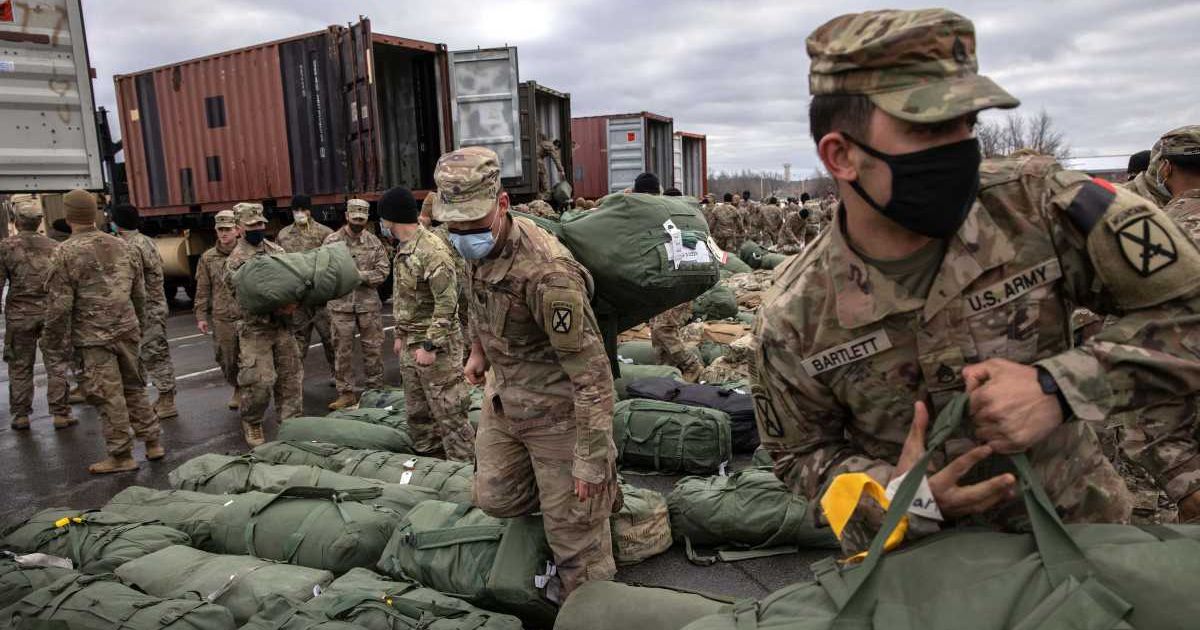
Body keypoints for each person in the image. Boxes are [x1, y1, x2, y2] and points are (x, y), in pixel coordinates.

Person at [754, 8, 1200, 555]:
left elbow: (1188, 307)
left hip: (1081, 537)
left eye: (968, 125)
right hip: (923, 572)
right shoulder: (794, 316)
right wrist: (904, 499)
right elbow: (800, 457)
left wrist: (1060, 387)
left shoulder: (1039, 206)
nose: (962, 148)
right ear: (841, 155)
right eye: (930, 128)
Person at [433, 146, 618, 598]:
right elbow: (480, 302)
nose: (462, 236)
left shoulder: (548, 276)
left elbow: (593, 376)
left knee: (576, 544)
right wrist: (479, 352)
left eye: (472, 225)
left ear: (502, 205)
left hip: (558, 414)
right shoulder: (472, 244)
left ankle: (588, 590)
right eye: (453, 226)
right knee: (495, 498)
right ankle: (578, 504)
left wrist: (591, 460)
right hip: (506, 399)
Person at [44, 190, 160, 473]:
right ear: (94, 214)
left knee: (109, 394)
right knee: (135, 385)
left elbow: (60, 305)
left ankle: (121, 455)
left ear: (69, 216)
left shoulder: (65, 252)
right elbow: (140, 294)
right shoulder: (124, 246)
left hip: (93, 336)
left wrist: (54, 340)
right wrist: (138, 324)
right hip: (127, 328)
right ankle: (153, 442)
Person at [381, 187, 475, 461]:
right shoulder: (404, 250)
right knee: (418, 415)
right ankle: (431, 468)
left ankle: (464, 477)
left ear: (391, 218)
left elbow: (448, 303)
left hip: (436, 350)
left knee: (450, 416)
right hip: (411, 346)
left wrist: (431, 345)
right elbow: (404, 298)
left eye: (383, 219)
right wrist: (400, 335)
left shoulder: (432, 251)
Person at [224, 202, 303, 446]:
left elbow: (292, 280)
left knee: (290, 380)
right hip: (255, 330)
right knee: (260, 382)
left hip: (282, 328)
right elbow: (244, 300)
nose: (258, 228)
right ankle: (253, 421)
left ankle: (292, 427)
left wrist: (295, 300)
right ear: (239, 228)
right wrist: (277, 306)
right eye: (252, 225)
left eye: (260, 224)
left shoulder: (276, 251)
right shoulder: (235, 262)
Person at [0, 198, 74, 431]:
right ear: (39, 221)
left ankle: (21, 415)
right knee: (57, 362)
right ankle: (60, 413)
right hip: (51, 313)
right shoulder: (55, 246)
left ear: (17, 221)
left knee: (20, 365)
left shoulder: (5, 247)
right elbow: (64, 284)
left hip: (19, 316)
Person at [112, 204, 177, 420]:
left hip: (145, 308)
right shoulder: (146, 240)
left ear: (118, 224)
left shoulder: (130, 246)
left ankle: (167, 399)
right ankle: (164, 396)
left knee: (154, 354)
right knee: (155, 351)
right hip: (155, 305)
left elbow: (133, 283)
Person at [325, 199, 391, 410]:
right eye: (354, 219)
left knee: (373, 349)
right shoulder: (332, 241)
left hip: (368, 306)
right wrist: (343, 277)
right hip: (341, 306)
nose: (358, 223)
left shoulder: (374, 243)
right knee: (342, 351)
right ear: (346, 216)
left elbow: (383, 272)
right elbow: (324, 271)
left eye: (362, 220)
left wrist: (359, 276)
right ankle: (346, 393)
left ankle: (375, 391)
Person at [276, 194, 336, 372]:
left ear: (310, 210)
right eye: (296, 210)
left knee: (331, 338)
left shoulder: (325, 233)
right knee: (298, 340)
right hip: (298, 299)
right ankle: (295, 377)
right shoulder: (284, 235)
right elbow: (279, 264)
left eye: (303, 209)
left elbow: (334, 263)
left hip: (321, 299)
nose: (300, 213)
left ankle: (337, 374)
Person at [193, 209, 241, 409]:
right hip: (222, 318)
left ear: (237, 230)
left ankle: (247, 391)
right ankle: (236, 386)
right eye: (220, 229)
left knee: (252, 359)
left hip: (247, 316)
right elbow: (203, 288)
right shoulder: (208, 258)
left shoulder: (247, 252)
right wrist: (201, 316)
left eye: (228, 229)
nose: (224, 233)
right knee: (226, 359)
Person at [537, 133, 567, 200]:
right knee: (544, 174)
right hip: (537, 159)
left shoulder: (546, 143)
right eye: (557, 149)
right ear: (556, 146)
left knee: (540, 175)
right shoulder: (551, 146)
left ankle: (541, 192)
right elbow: (556, 158)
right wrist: (561, 170)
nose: (556, 150)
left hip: (536, 158)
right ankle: (546, 194)